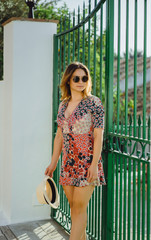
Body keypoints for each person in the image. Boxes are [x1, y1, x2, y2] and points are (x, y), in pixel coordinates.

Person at [45, 62, 106, 240]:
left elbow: (99, 135)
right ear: (68, 81)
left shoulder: (94, 102)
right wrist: (53, 162)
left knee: (79, 209)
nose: (81, 81)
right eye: (76, 78)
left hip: (87, 162)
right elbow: (59, 136)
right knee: (74, 208)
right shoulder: (63, 105)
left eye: (84, 78)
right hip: (67, 163)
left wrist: (94, 165)